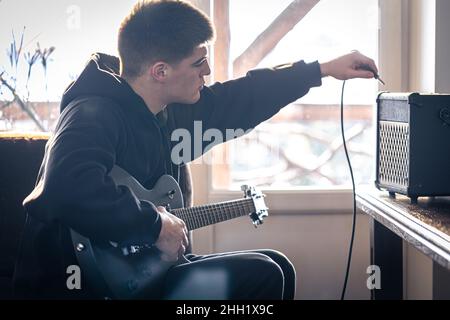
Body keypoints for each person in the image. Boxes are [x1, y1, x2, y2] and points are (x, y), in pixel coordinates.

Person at [13, 0, 379, 300]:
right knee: (264, 275)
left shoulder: (166, 111)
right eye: (198, 62)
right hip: (85, 287)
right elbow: (67, 186)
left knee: (276, 264)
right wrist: (153, 224)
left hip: (137, 274)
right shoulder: (93, 111)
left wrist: (321, 70)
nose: (207, 70)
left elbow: (240, 99)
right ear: (160, 71)